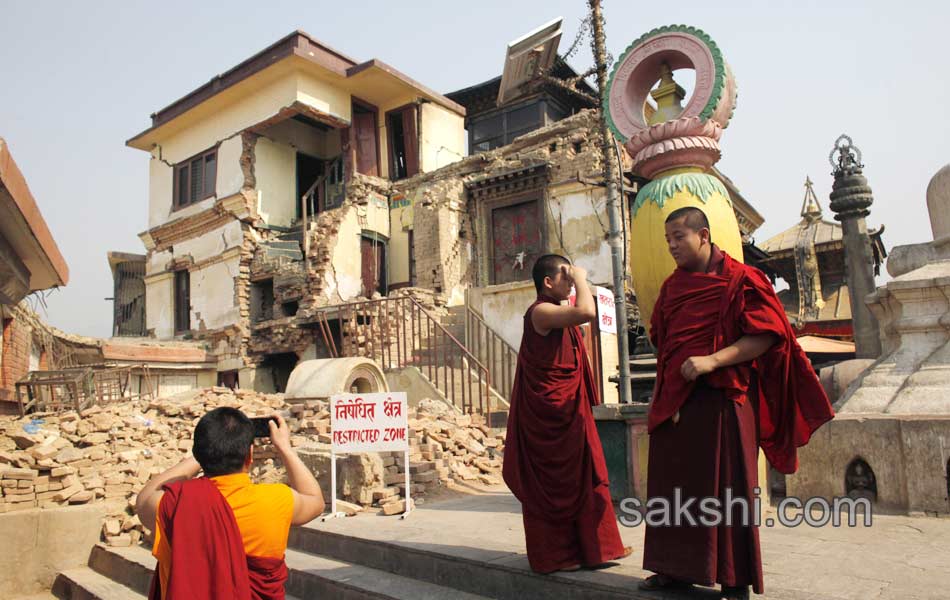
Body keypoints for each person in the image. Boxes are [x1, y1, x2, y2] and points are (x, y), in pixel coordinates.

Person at [640, 207, 835, 600]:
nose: (672, 245)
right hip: (677, 399)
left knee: (728, 487)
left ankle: (734, 576)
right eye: (668, 240)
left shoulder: (742, 280)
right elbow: (662, 338)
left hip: (724, 397)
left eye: (679, 236)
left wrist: (713, 360)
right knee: (674, 484)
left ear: (704, 235)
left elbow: (767, 336)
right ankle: (675, 569)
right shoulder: (672, 287)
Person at [502, 254, 631, 574]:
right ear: (548, 282)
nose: (571, 280)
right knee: (555, 484)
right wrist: (583, 278)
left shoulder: (556, 311)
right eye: (565, 276)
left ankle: (597, 548)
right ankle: (556, 556)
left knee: (585, 478)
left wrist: (574, 279)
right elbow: (587, 311)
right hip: (550, 414)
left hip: (570, 411)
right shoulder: (541, 312)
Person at [135, 407, 326, 600]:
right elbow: (315, 500)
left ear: (200, 453)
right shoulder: (276, 500)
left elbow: (144, 500)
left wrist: (205, 453)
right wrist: (284, 447)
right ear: (249, 455)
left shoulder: (177, 504)